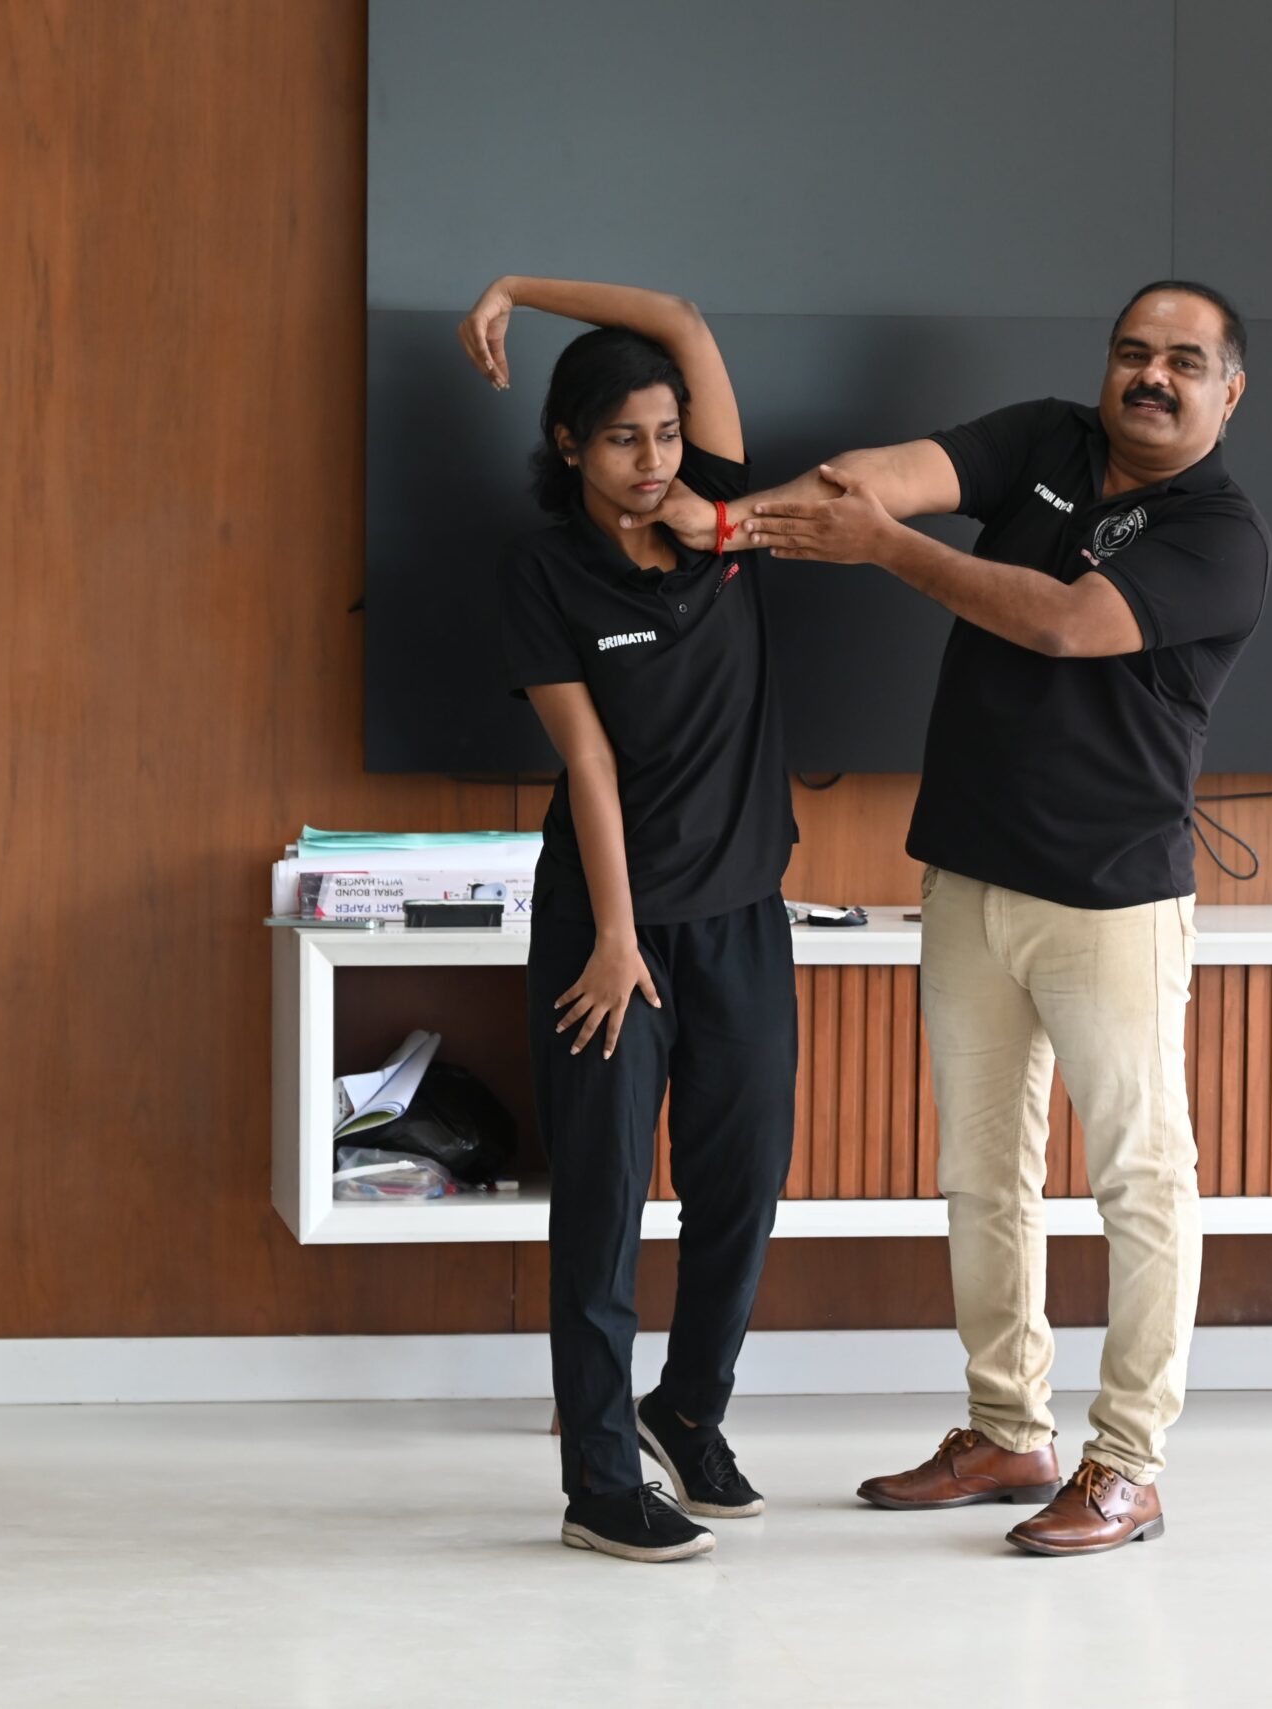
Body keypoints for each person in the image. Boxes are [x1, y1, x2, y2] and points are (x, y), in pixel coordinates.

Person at [640, 280, 1270, 1556]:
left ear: (1228, 390)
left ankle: (1126, 1463)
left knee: (1141, 1179)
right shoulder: (1044, 437)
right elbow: (887, 474)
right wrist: (737, 521)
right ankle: (1006, 1429)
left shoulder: (1221, 533)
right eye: (1132, 352)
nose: (1150, 376)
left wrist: (883, 546)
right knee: (983, 1174)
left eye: (1182, 361)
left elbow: (1063, 623)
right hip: (970, 875)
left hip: (1111, 899)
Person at [464, 275, 799, 1564]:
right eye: (621, 439)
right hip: (606, 928)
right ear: (568, 445)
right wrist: (614, 936)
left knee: (742, 1182)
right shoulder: (542, 571)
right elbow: (589, 764)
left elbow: (683, 323)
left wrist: (516, 289)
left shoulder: (720, 515)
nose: (653, 460)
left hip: (741, 916)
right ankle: (598, 1478)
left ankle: (687, 1411)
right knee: (603, 1198)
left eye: (664, 433)